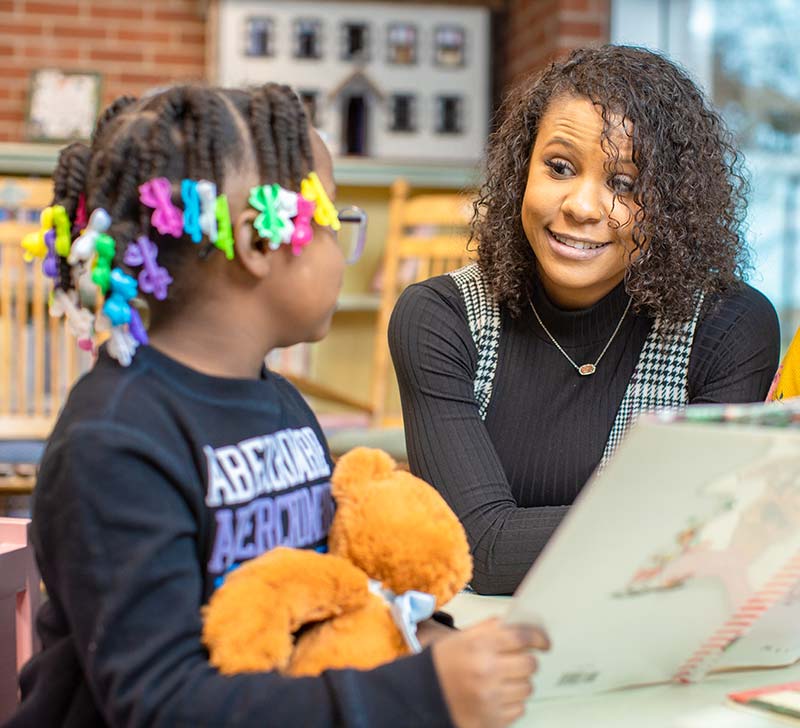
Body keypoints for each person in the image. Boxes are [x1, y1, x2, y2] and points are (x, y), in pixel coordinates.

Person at [7, 84, 549, 728]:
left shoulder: (279, 403)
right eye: (333, 221)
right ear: (261, 243)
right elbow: (162, 705)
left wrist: (420, 639)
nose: (341, 248)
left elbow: (325, 587)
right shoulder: (114, 443)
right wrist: (419, 695)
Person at [389, 45, 781, 596]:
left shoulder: (726, 327)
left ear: (671, 205)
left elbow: (706, 549)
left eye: (623, 184)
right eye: (560, 167)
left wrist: (682, 534)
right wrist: (657, 529)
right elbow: (477, 548)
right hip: (480, 653)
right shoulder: (441, 318)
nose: (582, 205)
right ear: (521, 167)